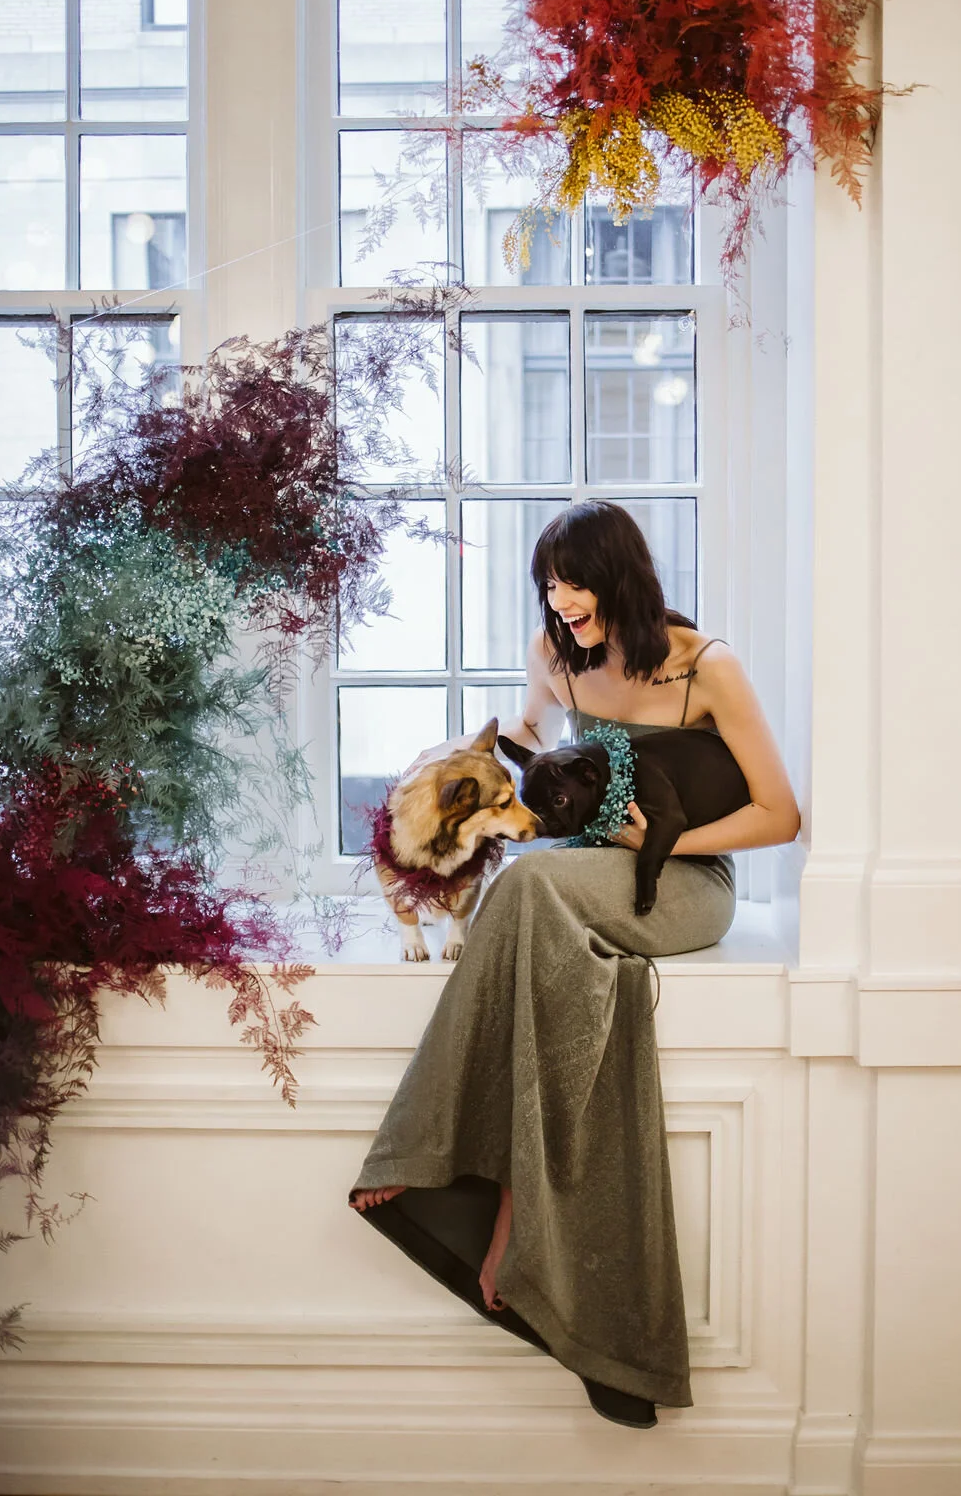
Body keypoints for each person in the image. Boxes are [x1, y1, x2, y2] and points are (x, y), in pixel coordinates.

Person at [348, 501, 800, 1428]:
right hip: (587, 872)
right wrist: (444, 776)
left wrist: (660, 844)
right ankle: (516, 1208)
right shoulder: (555, 657)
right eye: (548, 586)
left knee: (523, 895)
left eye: (573, 582)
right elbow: (520, 745)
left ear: (619, 578)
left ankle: (443, 1159)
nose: (559, 602)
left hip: (685, 877)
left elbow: (780, 816)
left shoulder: (706, 667)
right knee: (531, 902)